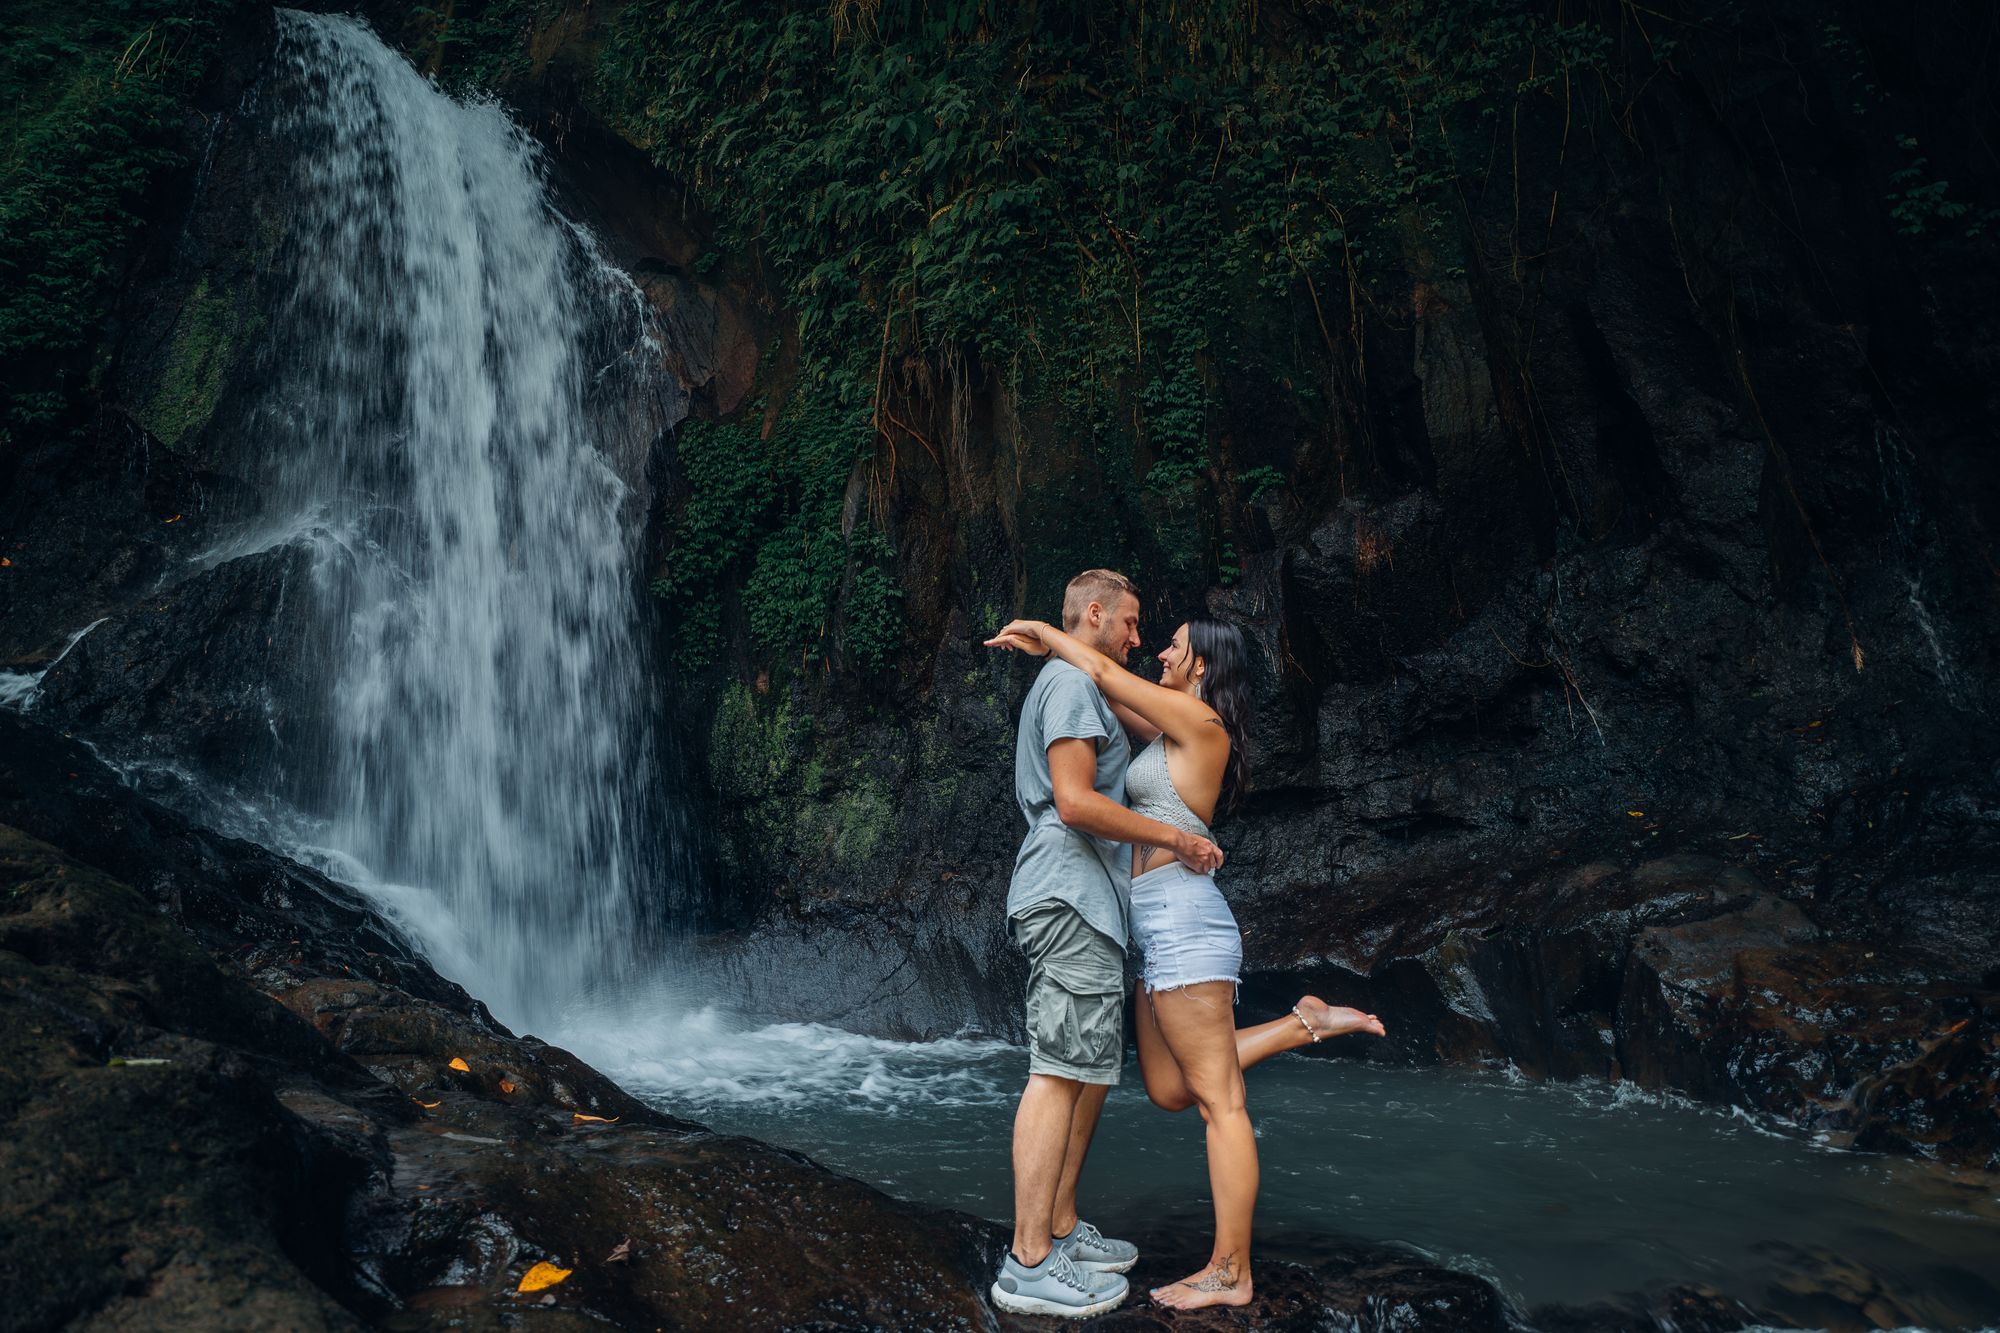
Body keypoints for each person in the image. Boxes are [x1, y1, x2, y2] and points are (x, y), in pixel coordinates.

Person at [986, 609, 1386, 1311]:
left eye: (1172, 644)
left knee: (1220, 1103)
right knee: (1172, 1088)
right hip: (1152, 927)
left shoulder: (1203, 727)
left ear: (1202, 663)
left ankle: (1232, 1271)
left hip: (1185, 923)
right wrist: (1069, 663)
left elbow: (1107, 674)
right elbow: (1105, 691)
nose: (1160, 650)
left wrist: (1046, 635)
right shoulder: (1171, 726)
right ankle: (1303, 1023)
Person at [986, 569, 1226, 1319]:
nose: (1137, 637)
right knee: (1058, 1071)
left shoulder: (1088, 685)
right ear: (1094, 613)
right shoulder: (1067, 686)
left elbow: (1161, 731)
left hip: (1092, 901)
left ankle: (1056, 1227)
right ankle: (1027, 1262)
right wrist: (1176, 837)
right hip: (1068, 891)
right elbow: (1076, 800)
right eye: (1129, 622)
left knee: (1085, 1068)